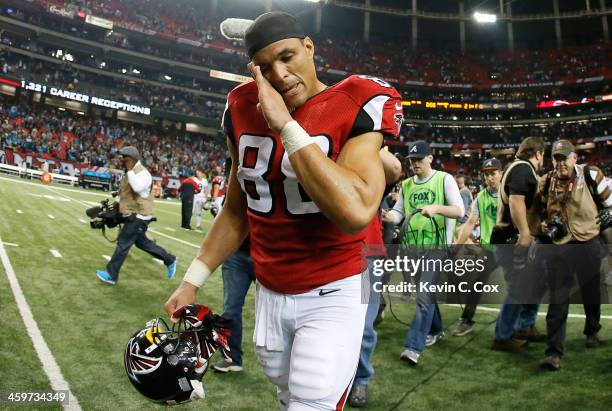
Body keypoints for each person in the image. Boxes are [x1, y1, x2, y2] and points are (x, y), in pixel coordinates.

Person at [164, 11, 403, 410]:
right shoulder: (240, 105)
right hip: (271, 289)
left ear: (309, 48)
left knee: (313, 399)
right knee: (286, 394)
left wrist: (286, 127)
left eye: (288, 57)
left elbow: (356, 210)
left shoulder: (356, 100)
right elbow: (236, 210)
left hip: (334, 286)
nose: (279, 74)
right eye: (265, 67)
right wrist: (192, 280)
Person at [382, 140, 464, 365]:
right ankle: (436, 330)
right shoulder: (406, 184)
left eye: (419, 159)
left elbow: (459, 210)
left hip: (437, 248)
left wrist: (436, 208)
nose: (415, 163)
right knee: (425, 295)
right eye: (412, 160)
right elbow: (398, 214)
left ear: (430, 158)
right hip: (412, 249)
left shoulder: (444, 179)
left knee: (423, 296)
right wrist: (387, 216)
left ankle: (413, 347)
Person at [538, 140, 611, 370]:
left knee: (591, 290)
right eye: (556, 158)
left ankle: (592, 331)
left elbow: (609, 205)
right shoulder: (546, 181)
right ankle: (554, 353)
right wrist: (541, 225)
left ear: (574, 158)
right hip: (559, 246)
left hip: (588, 241)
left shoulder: (592, 175)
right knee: (558, 297)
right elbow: (538, 211)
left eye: (564, 158)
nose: (560, 163)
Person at [348, 149, 402, 407]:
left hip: (367, 256)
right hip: (333, 255)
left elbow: (392, 167)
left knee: (363, 326)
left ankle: (361, 379)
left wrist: (368, 141)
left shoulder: (372, 171)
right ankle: (340, 377)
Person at [492, 137, 546, 352]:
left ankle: (525, 325)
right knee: (518, 287)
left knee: (537, 279)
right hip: (511, 238)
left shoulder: (517, 168)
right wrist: (524, 232)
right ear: (539, 154)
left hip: (509, 237)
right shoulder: (524, 169)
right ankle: (502, 336)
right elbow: (516, 200)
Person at [95, 146, 177, 285]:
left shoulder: (143, 173)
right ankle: (169, 259)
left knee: (123, 244)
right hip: (132, 215)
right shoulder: (131, 172)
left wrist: (129, 170)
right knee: (142, 243)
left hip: (139, 216)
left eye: (124, 159)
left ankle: (111, 275)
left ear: (131, 159)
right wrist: (116, 206)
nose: (121, 162)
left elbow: (137, 188)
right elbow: (125, 193)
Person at [453, 158, 502, 336]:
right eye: (486, 174)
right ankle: (466, 320)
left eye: (493, 173)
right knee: (476, 283)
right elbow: (470, 223)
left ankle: (522, 325)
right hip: (490, 249)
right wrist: (457, 247)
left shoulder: (510, 194)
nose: (489, 177)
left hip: (510, 248)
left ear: (501, 174)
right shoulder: (481, 197)